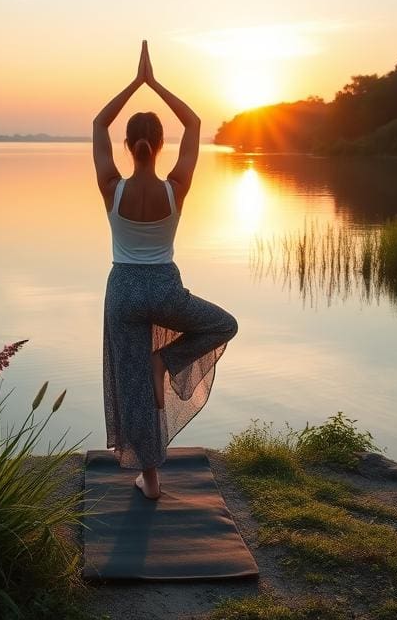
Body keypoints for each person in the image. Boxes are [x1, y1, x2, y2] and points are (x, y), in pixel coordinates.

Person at [92, 40, 238, 500]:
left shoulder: (111, 187)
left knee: (133, 385)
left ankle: (150, 480)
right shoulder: (177, 188)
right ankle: (167, 361)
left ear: (127, 145)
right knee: (222, 325)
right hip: (165, 288)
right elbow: (194, 123)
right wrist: (155, 83)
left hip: (123, 292)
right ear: (159, 145)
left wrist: (134, 83)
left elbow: (98, 122)